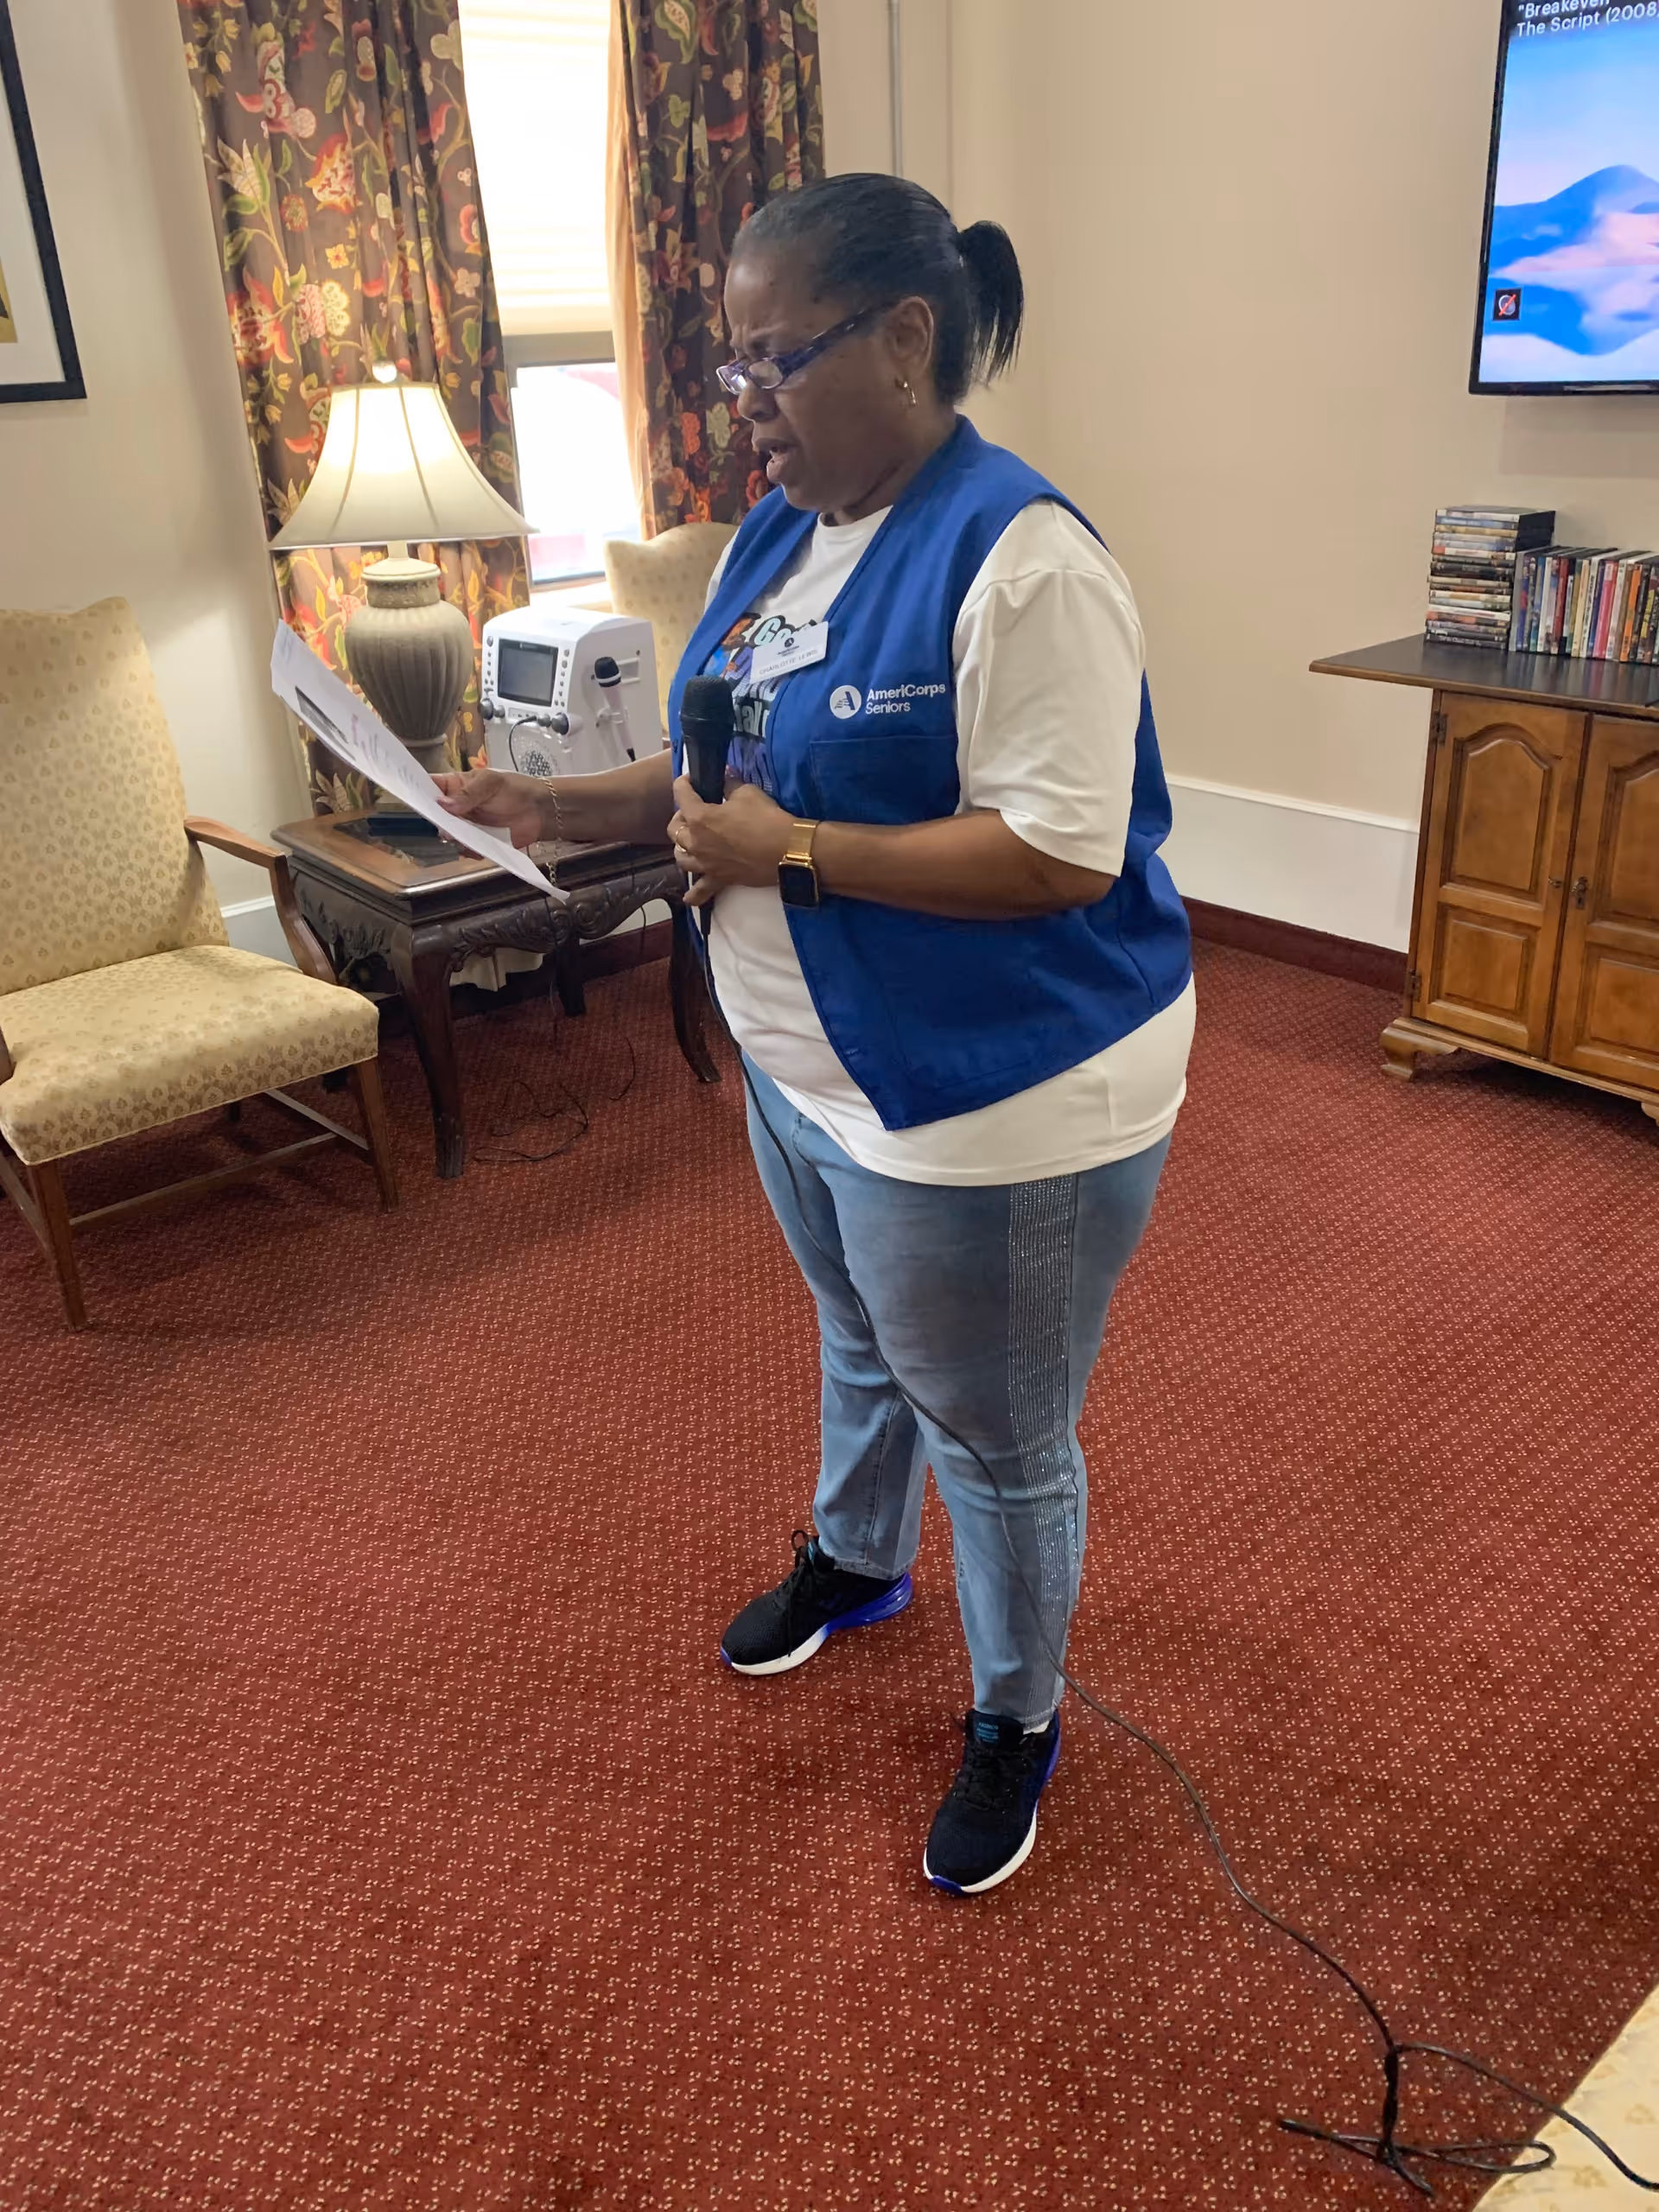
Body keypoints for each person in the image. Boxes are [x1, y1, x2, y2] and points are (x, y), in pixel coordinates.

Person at [436, 173, 1194, 1897]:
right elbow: (723, 755)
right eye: (735, 369)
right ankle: (861, 1560)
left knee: (995, 1428)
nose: (749, 405)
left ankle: (1019, 1711)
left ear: (909, 339)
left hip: (995, 1089)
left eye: (777, 362)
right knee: (863, 1336)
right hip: (807, 1060)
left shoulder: (1024, 557)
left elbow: (1062, 849)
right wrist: (558, 809)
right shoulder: (786, 522)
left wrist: (797, 852)